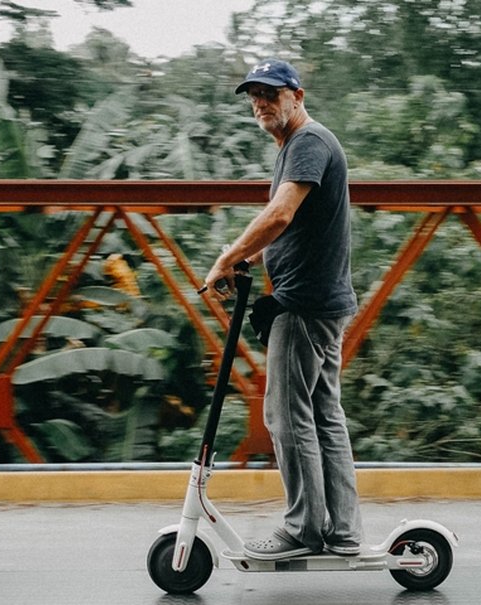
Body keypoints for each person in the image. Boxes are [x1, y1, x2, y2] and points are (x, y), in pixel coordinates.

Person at [202, 58, 363, 560]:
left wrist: (226, 258)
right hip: (323, 301)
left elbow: (281, 213)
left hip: (305, 303)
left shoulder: (309, 141)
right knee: (322, 414)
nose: (260, 102)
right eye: (253, 94)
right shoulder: (298, 145)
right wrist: (247, 260)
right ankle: (342, 531)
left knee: (284, 416)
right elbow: (289, 224)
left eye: (270, 92)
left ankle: (302, 530)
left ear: (297, 94)